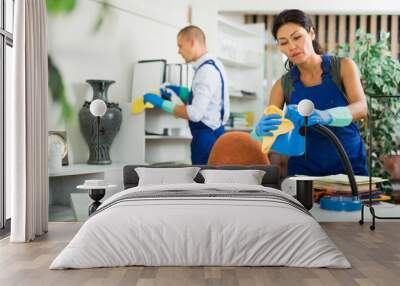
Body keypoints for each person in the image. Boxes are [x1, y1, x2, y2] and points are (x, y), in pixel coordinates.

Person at [252, 9, 368, 176]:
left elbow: (361, 107)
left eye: (297, 37)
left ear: (311, 33)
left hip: (348, 166)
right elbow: (272, 132)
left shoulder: (342, 67)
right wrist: (258, 132)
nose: (292, 46)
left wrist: (326, 115)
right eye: (283, 42)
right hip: (304, 172)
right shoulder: (282, 85)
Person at [143, 25, 229, 165]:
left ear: (193, 42)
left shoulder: (206, 71)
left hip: (207, 138)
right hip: (213, 134)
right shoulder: (213, 64)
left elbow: (195, 113)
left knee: (203, 182)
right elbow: (206, 98)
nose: (179, 51)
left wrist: (160, 102)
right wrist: (179, 91)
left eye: (180, 46)